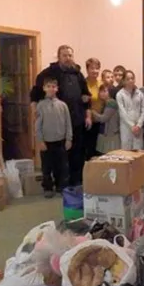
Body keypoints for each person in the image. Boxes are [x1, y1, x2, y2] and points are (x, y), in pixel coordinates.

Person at [30, 45, 91, 186]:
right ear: (58, 57)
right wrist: (35, 111)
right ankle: (59, 184)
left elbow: (86, 95)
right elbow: (34, 94)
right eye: (64, 55)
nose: (68, 58)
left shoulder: (78, 74)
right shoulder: (48, 73)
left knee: (77, 153)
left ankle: (76, 181)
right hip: (57, 123)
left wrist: (87, 116)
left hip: (76, 120)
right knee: (58, 157)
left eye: (70, 55)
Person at [35, 77, 72, 198]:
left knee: (62, 166)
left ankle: (61, 187)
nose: (51, 89)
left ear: (57, 89)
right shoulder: (40, 105)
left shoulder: (63, 105)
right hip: (46, 142)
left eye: (53, 86)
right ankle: (48, 187)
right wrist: (40, 140)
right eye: (48, 86)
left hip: (60, 141)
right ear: (44, 88)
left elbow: (68, 123)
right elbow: (38, 124)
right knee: (46, 166)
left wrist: (68, 138)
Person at [116, 70, 144, 150]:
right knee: (127, 153)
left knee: (138, 152)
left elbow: (143, 110)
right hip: (126, 127)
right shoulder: (120, 94)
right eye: (128, 79)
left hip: (138, 128)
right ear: (123, 81)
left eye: (132, 78)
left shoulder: (140, 94)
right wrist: (132, 126)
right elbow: (122, 112)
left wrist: (139, 125)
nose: (130, 81)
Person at [84, 58, 103, 160]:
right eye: (92, 68)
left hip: (100, 121)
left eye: (97, 68)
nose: (95, 71)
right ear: (87, 69)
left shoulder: (101, 84)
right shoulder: (83, 83)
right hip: (88, 121)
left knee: (99, 150)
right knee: (89, 150)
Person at [92, 84, 120, 154]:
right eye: (101, 91)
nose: (101, 93)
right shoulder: (106, 102)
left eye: (104, 91)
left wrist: (92, 111)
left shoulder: (111, 102)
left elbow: (103, 119)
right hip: (107, 134)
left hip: (110, 135)